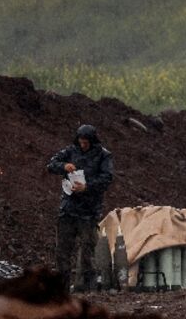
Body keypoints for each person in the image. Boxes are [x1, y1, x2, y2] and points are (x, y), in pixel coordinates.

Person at [45, 124, 114, 291]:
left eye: (86, 143)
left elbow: (107, 178)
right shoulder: (70, 151)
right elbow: (51, 164)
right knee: (62, 251)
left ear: (92, 141)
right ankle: (61, 289)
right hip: (68, 209)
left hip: (89, 212)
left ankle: (88, 289)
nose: (83, 145)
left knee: (87, 252)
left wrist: (87, 186)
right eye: (81, 142)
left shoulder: (103, 155)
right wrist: (64, 166)